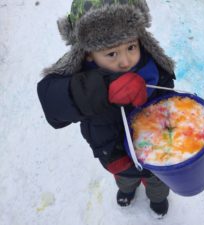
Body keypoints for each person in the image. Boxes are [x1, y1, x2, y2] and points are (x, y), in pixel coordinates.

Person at [37, 0, 176, 218]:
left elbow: (168, 101)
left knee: (157, 181)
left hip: (157, 155)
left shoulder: (154, 68)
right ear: (89, 53)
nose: (125, 61)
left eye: (131, 47)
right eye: (111, 53)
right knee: (125, 180)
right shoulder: (79, 77)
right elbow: (52, 102)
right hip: (116, 157)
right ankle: (127, 191)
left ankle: (158, 198)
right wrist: (100, 89)